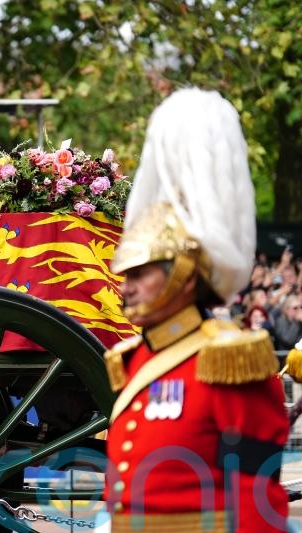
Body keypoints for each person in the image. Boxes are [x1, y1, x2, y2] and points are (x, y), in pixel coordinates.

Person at [102, 89, 288, 532]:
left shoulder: (230, 361)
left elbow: (255, 504)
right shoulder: (135, 358)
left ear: (184, 277)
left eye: (141, 273)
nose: (125, 287)